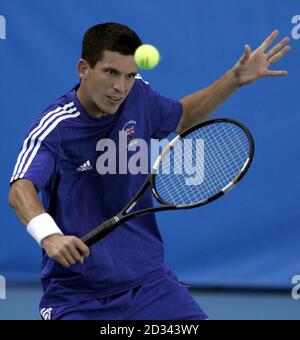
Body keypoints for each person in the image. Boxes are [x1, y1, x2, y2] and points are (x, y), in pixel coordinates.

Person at [8, 23, 290, 320]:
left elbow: (182, 118)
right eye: (111, 73)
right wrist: (50, 236)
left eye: (130, 75)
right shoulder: (57, 127)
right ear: (83, 69)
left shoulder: (138, 97)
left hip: (150, 285)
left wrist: (234, 79)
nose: (121, 87)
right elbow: (20, 189)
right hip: (78, 296)